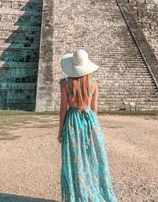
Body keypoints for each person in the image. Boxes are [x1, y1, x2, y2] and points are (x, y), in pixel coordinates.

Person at [57, 49, 117, 202]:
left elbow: (63, 109)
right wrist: (93, 128)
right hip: (90, 121)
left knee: (75, 158)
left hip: (72, 121)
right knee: (91, 157)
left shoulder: (65, 84)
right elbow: (94, 109)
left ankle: (77, 195)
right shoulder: (93, 84)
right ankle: (93, 190)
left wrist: (60, 131)